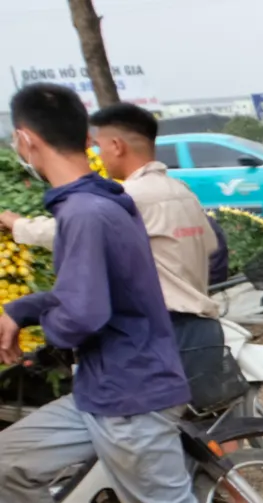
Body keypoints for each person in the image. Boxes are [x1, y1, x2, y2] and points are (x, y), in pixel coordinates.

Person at [0, 84, 256, 503]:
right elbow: (83, 295)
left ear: (25, 139)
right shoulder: (96, 203)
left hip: (131, 395)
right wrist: (23, 309)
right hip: (102, 392)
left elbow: (84, 312)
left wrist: (50, 331)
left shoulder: (90, 211)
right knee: (8, 459)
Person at [3, 102, 230, 398]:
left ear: (116, 145)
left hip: (162, 335)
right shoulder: (181, 191)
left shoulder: (126, 198)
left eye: (98, 146)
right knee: (208, 431)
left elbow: (70, 231)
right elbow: (216, 249)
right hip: (203, 329)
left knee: (162, 433)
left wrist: (16, 223)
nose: (96, 154)